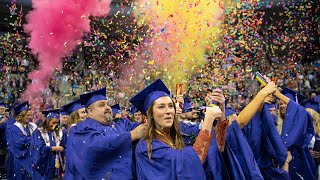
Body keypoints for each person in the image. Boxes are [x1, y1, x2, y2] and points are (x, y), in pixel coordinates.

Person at [130, 79, 224, 179]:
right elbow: (191, 163)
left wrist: (221, 108)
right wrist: (208, 119)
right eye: (161, 107)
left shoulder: (178, 134)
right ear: (151, 115)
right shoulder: (146, 147)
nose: (168, 111)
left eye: (171, 106)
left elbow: (217, 145)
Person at [64, 87, 147, 179]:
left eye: (108, 104)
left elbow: (143, 128)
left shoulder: (122, 124)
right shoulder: (80, 129)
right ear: (90, 111)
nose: (107, 107)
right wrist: (131, 135)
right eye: (101, 105)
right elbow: (93, 146)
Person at [275, 87, 316, 179]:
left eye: (286, 103)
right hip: (282, 162)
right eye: (280, 104)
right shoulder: (277, 123)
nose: (282, 106)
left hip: (299, 160)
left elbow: (301, 112)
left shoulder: (300, 120)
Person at [31, 109, 67, 180]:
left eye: (57, 123)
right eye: (53, 123)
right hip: (44, 166)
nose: (55, 125)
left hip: (57, 166)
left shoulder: (60, 132)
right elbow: (39, 149)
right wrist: (54, 148)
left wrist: (63, 149)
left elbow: (64, 145)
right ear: (47, 121)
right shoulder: (38, 132)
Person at [6, 102, 37, 179]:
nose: (30, 117)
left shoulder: (33, 126)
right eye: (28, 115)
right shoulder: (12, 128)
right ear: (21, 115)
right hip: (18, 160)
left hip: (31, 159)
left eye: (31, 115)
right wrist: (35, 140)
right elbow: (20, 142)